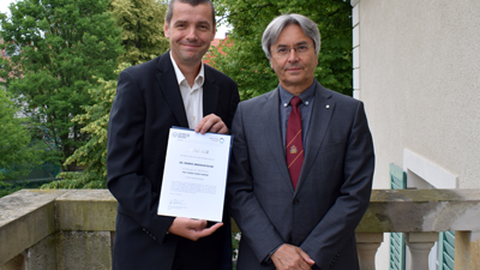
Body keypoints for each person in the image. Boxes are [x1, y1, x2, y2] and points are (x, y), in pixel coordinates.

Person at [227, 14, 375, 270]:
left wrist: (311, 253)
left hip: (330, 260)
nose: (292, 57)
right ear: (271, 60)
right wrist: (274, 248)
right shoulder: (246, 114)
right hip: (264, 260)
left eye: (302, 47)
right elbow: (238, 189)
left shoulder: (349, 112)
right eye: (282, 50)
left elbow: (356, 192)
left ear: (316, 54)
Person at [107, 0, 239, 269]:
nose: (192, 35)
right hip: (148, 249)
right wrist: (166, 221)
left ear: (213, 31)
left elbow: (238, 169)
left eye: (202, 26)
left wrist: (228, 140)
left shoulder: (226, 88)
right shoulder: (136, 82)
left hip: (208, 249)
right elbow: (121, 174)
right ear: (166, 28)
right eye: (182, 25)